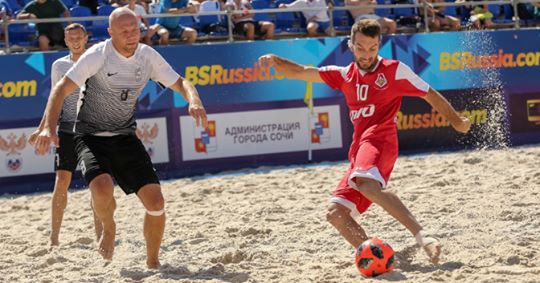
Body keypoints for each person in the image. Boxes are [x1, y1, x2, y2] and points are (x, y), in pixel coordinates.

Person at [258, 19, 471, 265]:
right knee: (336, 215)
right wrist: (275, 60)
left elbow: (430, 94)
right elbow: (300, 71)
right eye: (360, 47)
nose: (366, 54)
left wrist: (456, 121)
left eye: (372, 48)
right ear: (351, 45)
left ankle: (423, 236)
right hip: (359, 147)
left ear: (379, 44)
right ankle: (380, 256)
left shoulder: (395, 70)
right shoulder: (344, 74)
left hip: (381, 139)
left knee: (368, 186)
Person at [32, 8, 207, 268]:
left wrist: (194, 101)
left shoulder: (147, 55)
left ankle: (153, 262)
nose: (131, 35)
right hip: (90, 135)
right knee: (101, 188)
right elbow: (60, 89)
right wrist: (48, 126)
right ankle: (109, 227)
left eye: (135, 29)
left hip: (125, 135)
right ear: (110, 32)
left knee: (156, 202)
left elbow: (181, 82)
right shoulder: (98, 55)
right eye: (124, 31)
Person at [29, 24, 103, 247]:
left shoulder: (97, 62)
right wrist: (43, 127)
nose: (76, 41)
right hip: (67, 130)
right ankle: (54, 238)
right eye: (71, 38)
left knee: (96, 184)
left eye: (79, 37)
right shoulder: (59, 65)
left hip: (92, 130)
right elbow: (55, 99)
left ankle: (100, 235)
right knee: (61, 182)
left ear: (86, 37)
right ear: (66, 40)